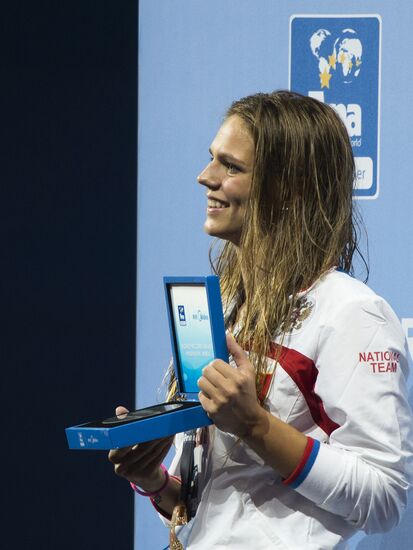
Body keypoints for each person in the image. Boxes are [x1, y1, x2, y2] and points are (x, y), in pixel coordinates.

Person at [109, 91, 413, 549]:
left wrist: (256, 426)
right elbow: (217, 509)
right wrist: (152, 478)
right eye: (212, 159)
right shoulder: (227, 306)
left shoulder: (352, 313)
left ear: (286, 188)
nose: (205, 176)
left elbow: (385, 498)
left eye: (230, 166)